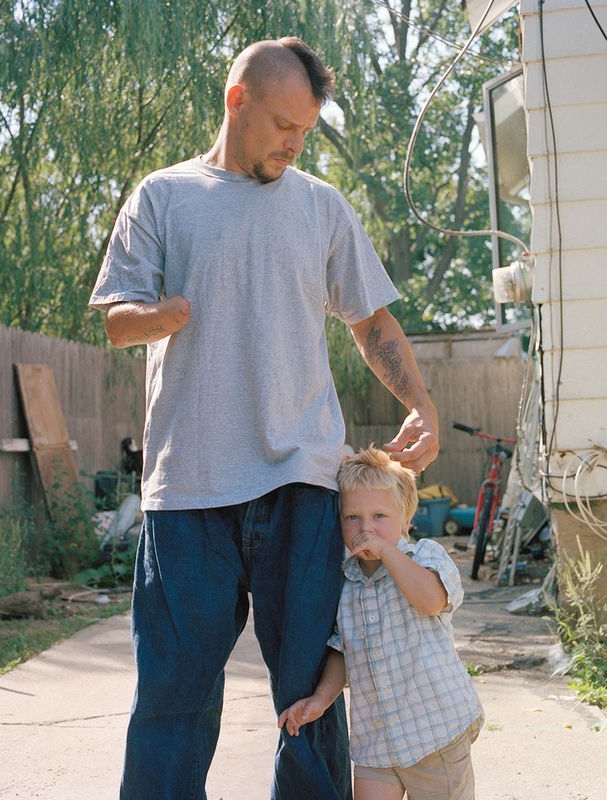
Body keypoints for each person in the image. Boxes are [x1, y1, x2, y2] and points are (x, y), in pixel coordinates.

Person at [89, 36, 439, 800]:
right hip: (189, 489)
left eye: (306, 129)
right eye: (283, 122)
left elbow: (368, 319)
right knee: (172, 702)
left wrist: (420, 404)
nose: (294, 141)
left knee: (309, 699)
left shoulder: (320, 205)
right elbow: (115, 321)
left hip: (303, 483)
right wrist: (162, 314)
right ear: (236, 99)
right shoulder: (163, 195)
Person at [278, 447, 484, 800]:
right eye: (352, 517)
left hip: (435, 731)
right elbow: (344, 651)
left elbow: (432, 600)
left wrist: (389, 553)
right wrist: (322, 699)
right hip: (377, 741)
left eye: (379, 516)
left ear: (405, 520)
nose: (365, 528)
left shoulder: (425, 555)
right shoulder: (344, 581)